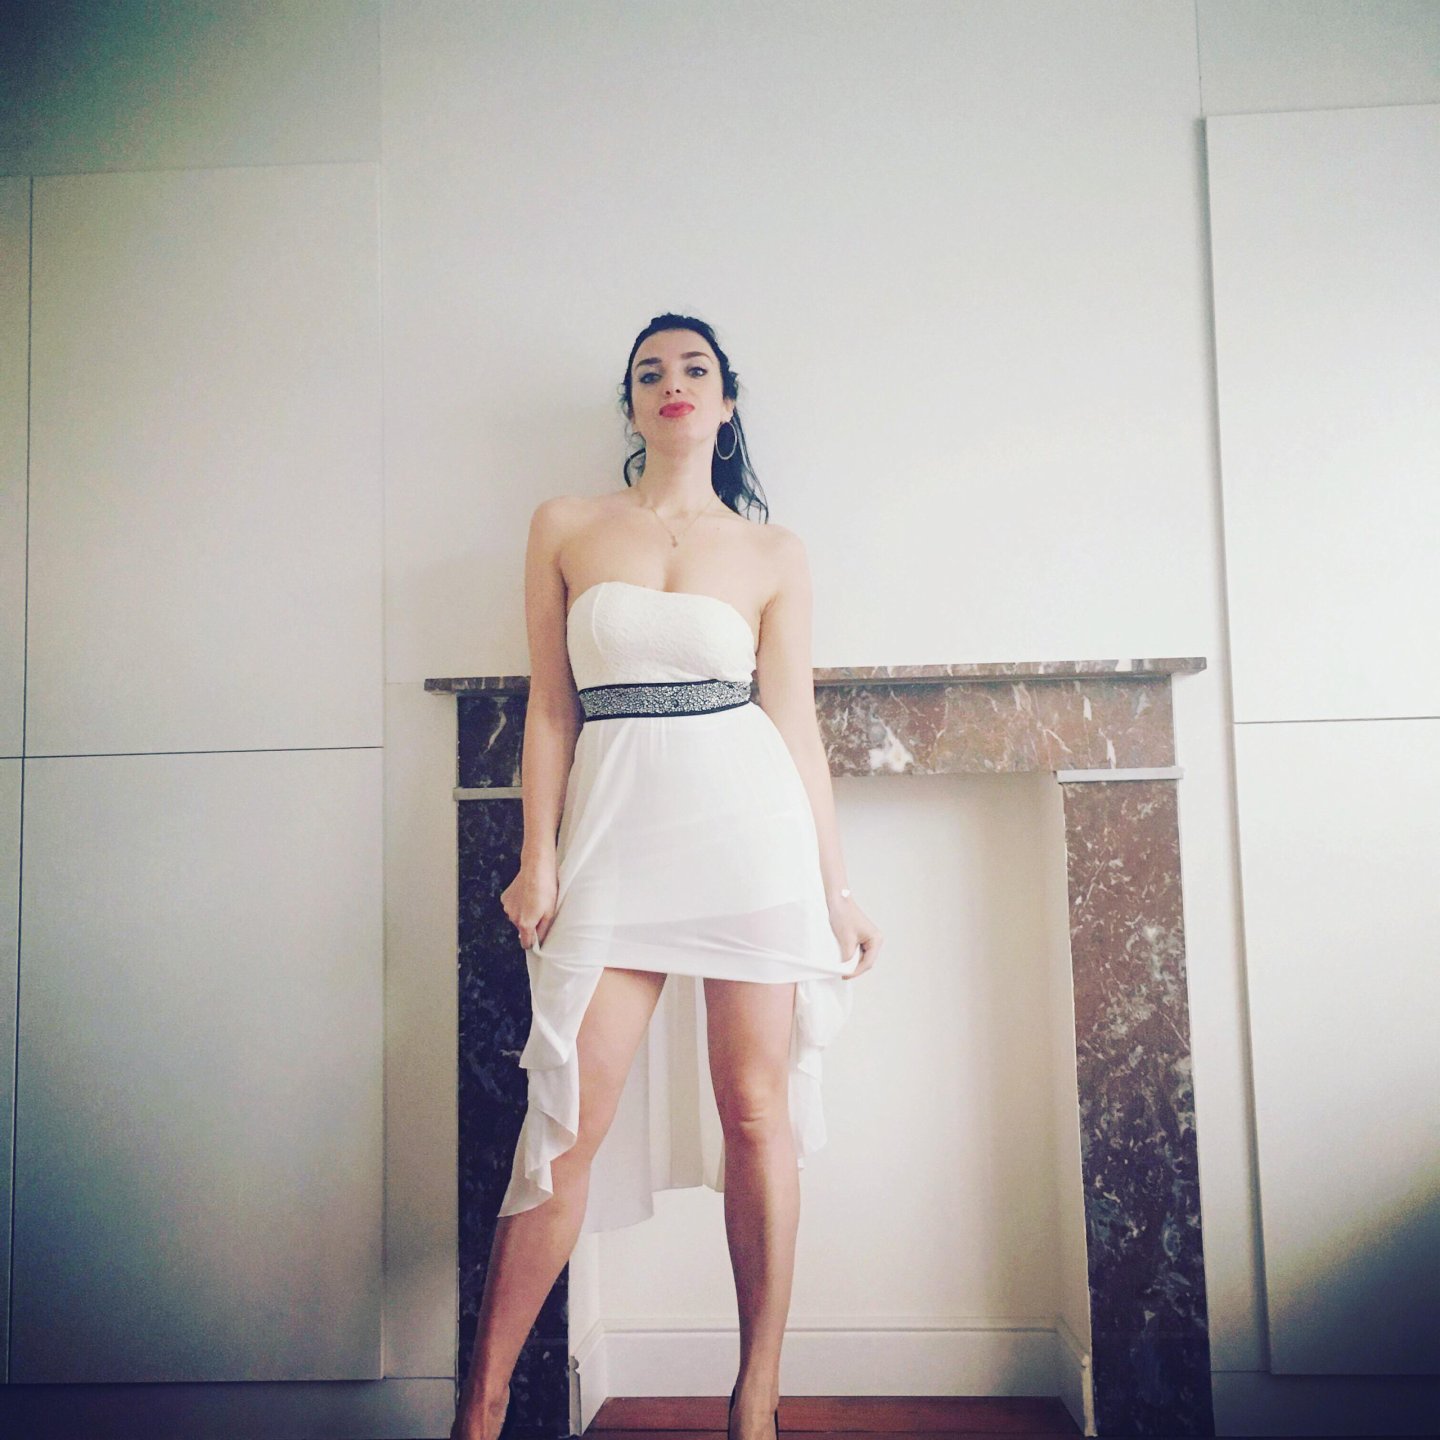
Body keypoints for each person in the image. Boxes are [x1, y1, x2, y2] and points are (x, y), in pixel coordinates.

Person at [450, 313, 883, 1440]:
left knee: (757, 1113)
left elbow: (796, 729)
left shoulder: (774, 552)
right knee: (564, 1123)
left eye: (695, 369)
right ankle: (479, 1411)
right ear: (633, 404)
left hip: (749, 836)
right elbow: (552, 708)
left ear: (725, 402)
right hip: (616, 838)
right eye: (650, 372)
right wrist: (537, 856)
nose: (672, 382)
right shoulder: (564, 524)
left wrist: (836, 890)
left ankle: (756, 1402)